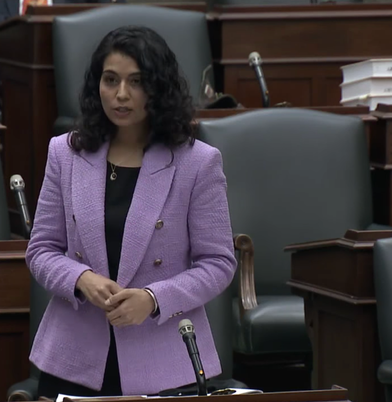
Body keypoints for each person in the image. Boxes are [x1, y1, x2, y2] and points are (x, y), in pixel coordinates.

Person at [26, 26, 236, 398]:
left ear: (158, 88)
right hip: (74, 355)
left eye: (136, 82)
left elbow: (218, 263)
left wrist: (154, 299)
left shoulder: (198, 163)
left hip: (163, 355)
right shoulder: (65, 153)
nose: (121, 95)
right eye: (111, 80)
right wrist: (81, 279)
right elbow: (41, 249)